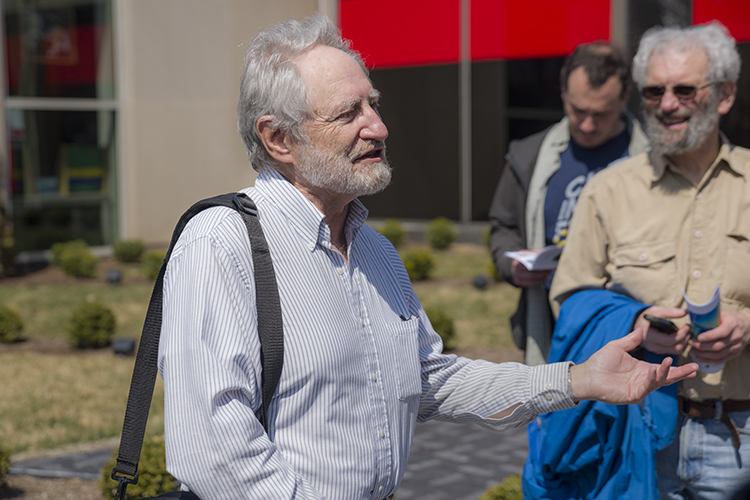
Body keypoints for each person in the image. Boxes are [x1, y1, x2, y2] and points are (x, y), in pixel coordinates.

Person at [157, 15, 697, 500]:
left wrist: (577, 379)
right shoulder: (220, 244)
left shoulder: (375, 250)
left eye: (374, 105)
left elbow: (433, 380)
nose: (379, 127)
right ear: (278, 138)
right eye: (349, 113)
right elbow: (213, 448)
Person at [550, 22, 750, 500]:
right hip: (633, 435)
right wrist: (636, 321)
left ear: (724, 95)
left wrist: (747, 325)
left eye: (684, 89)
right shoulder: (609, 190)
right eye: (654, 90)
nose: (666, 104)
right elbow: (570, 300)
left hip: (741, 433)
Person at [488, 42, 649, 366]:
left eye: (600, 113)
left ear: (623, 97)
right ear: (563, 93)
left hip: (629, 329)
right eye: (578, 110)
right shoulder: (529, 156)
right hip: (549, 333)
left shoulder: (653, 162)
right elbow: (503, 227)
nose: (588, 125)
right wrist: (513, 265)